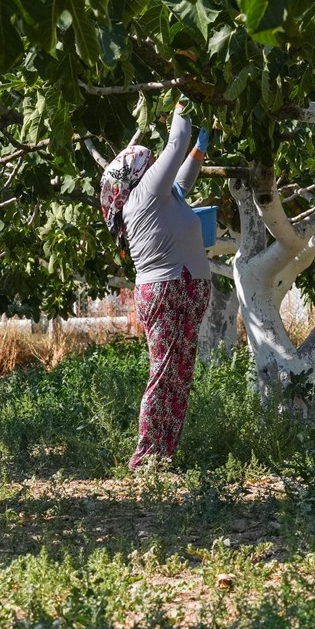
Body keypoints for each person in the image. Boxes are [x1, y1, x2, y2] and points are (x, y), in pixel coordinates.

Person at [100, 100, 213, 470]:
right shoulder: (145, 194)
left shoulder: (166, 195)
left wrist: (206, 138)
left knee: (179, 376)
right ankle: (145, 456)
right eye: (145, 162)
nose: (152, 163)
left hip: (184, 288)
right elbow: (176, 142)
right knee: (164, 372)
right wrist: (184, 95)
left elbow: (187, 165)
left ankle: (164, 455)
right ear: (137, 173)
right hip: (167, 289)